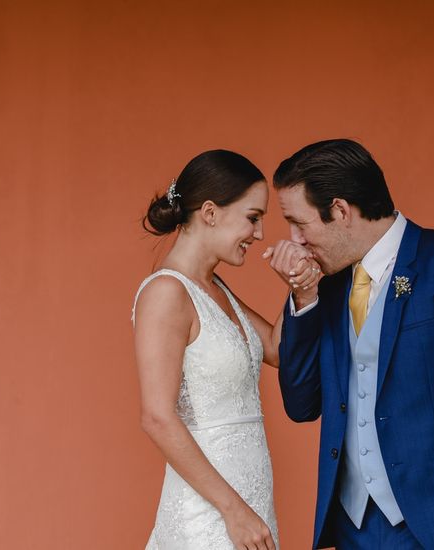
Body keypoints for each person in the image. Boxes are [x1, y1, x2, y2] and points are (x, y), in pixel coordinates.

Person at [265, 139, 434, 549]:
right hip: (351, 528)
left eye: (299, 223)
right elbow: (302, 404)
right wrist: (303, 297)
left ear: (339, 211)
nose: (295, 240)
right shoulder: (330, 286)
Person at [131, 150, 320, 550]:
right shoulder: (166, 293)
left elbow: (276, 350)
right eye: (253, 217)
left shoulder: (215, 289)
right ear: (211, 213)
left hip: (250, 501)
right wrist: (233, 511)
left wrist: (298, 288)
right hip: (211, 512)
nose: (261, 233)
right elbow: (157, 417)